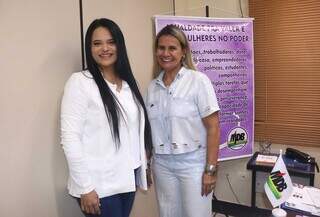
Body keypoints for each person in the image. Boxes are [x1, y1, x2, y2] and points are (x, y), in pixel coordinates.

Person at [60, 18, 153, 217]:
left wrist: (143, 166)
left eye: (111, 42)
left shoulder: (128, 83)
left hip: (126, 182)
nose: (105, 48)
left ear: (119, 45)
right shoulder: (80, 83)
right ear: (89, 48)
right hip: (98, 186)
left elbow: (133, 130)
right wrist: (85, 187)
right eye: (97, 43)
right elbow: (70, 138)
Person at [145, 24, 220, 217]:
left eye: (172, 48)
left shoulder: (198, 81)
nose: (166, 53)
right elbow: (148, 130)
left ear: (183, 51)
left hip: (193, 164)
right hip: (162, 164)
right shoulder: (152, 87)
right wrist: (146, 164)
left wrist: (210, 170)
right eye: (161, 48)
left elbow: (213, 127)